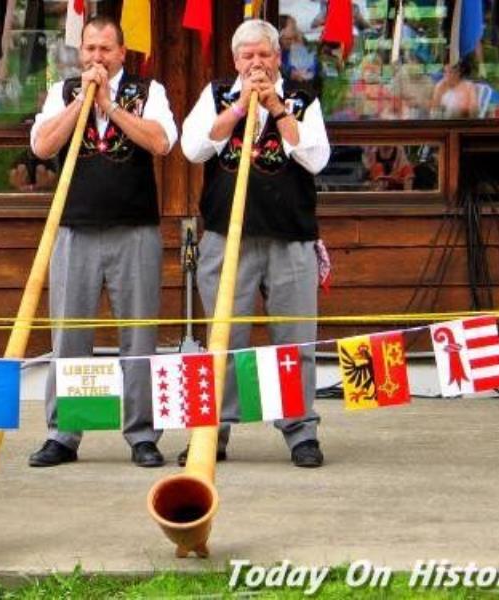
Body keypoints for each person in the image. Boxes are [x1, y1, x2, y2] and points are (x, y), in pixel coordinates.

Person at [28, 16, 178, 468]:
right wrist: (81, 104)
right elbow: (41, 146)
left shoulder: (147, 91)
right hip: (75, 230)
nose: (96, 57)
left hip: (134, 230)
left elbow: (162, 142)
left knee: (138, 336)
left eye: (105, 50)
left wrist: (110, 106)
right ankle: (65, 434)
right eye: (89, 49)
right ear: (81, 51)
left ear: (121, 52)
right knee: (70, 335)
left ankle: (142, 435)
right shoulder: (64, 90)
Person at [179, 19, 330, 468]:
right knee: (223, 340)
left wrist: (278, 110)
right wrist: (239, 110)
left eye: (264, 54)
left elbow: (316, 158)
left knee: (295, 339)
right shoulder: (216, 95)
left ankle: (301, 431)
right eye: (247, 56)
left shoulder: (302, 100)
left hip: (291, 238)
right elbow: (192, 149)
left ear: (277, 58)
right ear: (235, 61)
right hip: (227, 238)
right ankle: (212, 436)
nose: (256, 63)